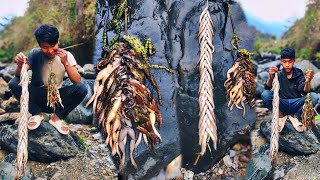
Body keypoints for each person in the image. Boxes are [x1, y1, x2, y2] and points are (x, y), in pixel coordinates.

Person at [9, 24, 87, 135]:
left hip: (56, 100)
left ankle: (56, 118)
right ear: (39, 45)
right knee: (13, 83)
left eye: (53, 46)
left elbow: (77, 81)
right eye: (45, 48)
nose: (50, 51)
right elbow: (20, 76)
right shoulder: (35, 54)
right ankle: (37, 114)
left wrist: (66, 63)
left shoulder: (67, 55)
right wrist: (20, 65)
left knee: (82, 88)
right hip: (36, 98)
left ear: (58, 41)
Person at [261, 47, 319, 132]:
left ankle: (296, 117)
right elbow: (268, 87)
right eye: (284, 62)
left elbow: (304, 91)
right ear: (281, 61)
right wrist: (270, 77)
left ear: (294, 61)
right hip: (282, 103)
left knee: (314, 96)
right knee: (265, 94)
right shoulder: (278, 74)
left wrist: (307, 81)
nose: (287, 65)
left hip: (296, 104)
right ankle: (280, 116)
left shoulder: (299, 74)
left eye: (290, 62)